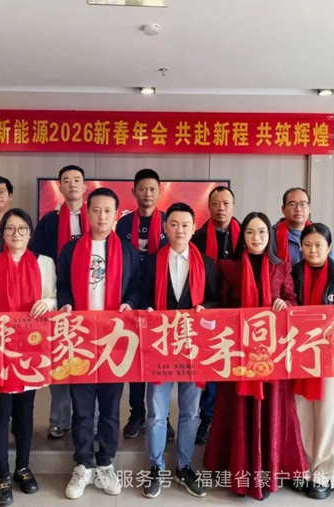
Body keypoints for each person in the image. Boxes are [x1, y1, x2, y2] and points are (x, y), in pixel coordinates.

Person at [204, 212, 307, 501]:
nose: (256, 237)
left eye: (262, 232)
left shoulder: (281, 266)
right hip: (239, 356)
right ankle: (239, 475)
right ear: (243, 237)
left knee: (272, 412)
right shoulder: (229, 267)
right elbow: (222, 307)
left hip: (271, 357)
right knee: (237, 412)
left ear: (270, 236)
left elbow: (293, 300)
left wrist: (284, 303)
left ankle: (269, 473)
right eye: (250, 232)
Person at [0, 208, 57, 506]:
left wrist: (47, 303)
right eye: (9, 229)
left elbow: (53, 296)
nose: (16, 234)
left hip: (31, 349)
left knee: (24, 412)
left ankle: (22, 467)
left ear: (30, 234)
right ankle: (2, 474)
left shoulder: (44, 263)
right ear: (2, 234)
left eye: (22, 229)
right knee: (0, 412)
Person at [57, 187, 140, 500]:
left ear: (116, 214)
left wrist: (130, 303)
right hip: (79, 339)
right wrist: (65, 302)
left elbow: (136, 287)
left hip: (113, 339)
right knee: (81, 408)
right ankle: (83, 463)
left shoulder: (128, 251)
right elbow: (62, 285)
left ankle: (105, 462)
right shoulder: (71, 250)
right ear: (87, 212)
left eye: (108, 210)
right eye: (96, 210)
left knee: (109, 408)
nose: (102, 216)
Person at [139, 203, 218, 499]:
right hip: (159, 346)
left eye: (185, 225)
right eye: (173, 224)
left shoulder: (207, 263)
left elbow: (216, 300)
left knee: (191, 411)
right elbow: (141, 296)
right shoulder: (151, 262)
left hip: (193, 347)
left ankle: (184, 466)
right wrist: (146, 308)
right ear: (165, 228)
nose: (180, 230)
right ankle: (156, 467)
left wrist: (205, 308)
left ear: (194, 228)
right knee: (157, 412)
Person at [291, 223, 334, 500]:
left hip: (332, 360)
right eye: (307, 245)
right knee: (303, 414)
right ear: (301, 247)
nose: (313, 250)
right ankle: (305, 468)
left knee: (328, 415)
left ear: (329, 247)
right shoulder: (293, 273)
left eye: (319, 245)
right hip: (300, 355)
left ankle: (324, 474)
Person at [33, 164, 89, 440]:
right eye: (66, 180)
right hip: (58, 297)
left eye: (77, 180)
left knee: (90, 361)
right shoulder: (49, 222)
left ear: (85, 186)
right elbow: (39, 261)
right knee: (60, 359)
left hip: (91, 298)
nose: (72, 184)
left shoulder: (97, 217)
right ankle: (59, 420)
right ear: (60, 187)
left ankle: (88, 420)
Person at [115, 168, 170, 441]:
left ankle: (163, 417)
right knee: (136, 358)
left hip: (161, 297)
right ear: (134, 192)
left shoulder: (169, 222)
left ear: (159, 191)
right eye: (142, 189)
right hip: (132, 297)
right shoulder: (124, 224)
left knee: (161, 358)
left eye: (152, 189)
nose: (147, 194)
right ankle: (136, 413)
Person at [190, 185, 240, 444]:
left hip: (238, 310)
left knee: (236, 366)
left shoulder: (245, 236)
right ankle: (208, 417)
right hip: (208, 308)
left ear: (233, 207)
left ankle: (233, 420)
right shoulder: (197, 239)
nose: (221, 208)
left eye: (226, 203)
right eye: (216, 203)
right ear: (208, 207)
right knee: (209, 365)